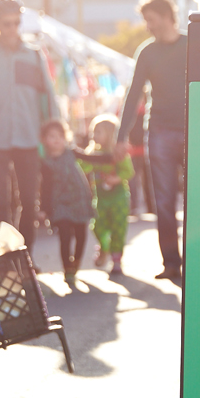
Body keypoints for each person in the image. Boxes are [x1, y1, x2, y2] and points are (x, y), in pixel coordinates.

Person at [0, 0, 61, 250]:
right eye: (6, 23)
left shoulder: (33, 55)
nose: (12, 29)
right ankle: (2, 258)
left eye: (16, 23)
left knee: (29, 201)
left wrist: (55, 133)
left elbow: (49, 96)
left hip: (29, 138)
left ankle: (26, 257)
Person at [116, 0, 187, 286]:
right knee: (165, 201)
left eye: (151, 20)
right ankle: (171, 263)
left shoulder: (191, 46)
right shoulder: (147, 52)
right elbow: (134, 95)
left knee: (197, 199)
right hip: (159, 131)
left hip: (192, 128)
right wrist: (121, 137)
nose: (148, 26)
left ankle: (197, 259)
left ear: (168, 16)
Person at [38, 120, 95, 290]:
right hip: (60, 203)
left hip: (79, 200)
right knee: (64, 235)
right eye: (52, 137)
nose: (56, 140)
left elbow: (90, 157)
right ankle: (67, 269)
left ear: (65, 137)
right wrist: (43, 209)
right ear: (45, 140)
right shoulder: (45, 163)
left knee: (81, 234)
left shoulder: (72, 152)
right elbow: (45, 188)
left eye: (60, 136)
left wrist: (111, 157)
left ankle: (76, 261)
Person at [82, 114, 134, 278]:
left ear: (111, 134)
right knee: (97, 226)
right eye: (93, 132)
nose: (94, 135)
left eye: (99, 132)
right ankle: (104, 247)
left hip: (119, 198)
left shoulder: (118, 153)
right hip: (101, 199)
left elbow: (129, 171)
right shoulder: (91, 153)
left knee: (118, 228)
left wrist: (116, 178)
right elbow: (83, 166)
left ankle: (116, 259)